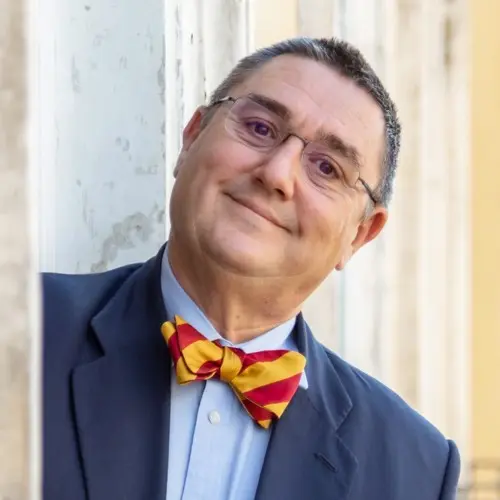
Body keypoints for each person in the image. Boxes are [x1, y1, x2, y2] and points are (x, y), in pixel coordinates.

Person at [42, 37, 460, 500]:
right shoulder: (23, 330)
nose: (277, 174)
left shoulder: (415, 471)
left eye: (326, 168)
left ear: (359, 235)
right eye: (260, 128)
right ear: (192, 137)